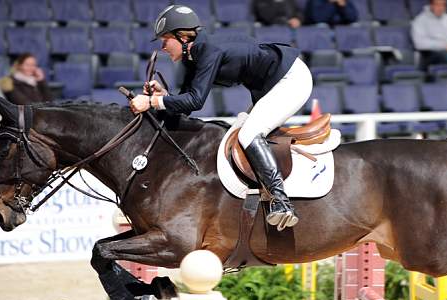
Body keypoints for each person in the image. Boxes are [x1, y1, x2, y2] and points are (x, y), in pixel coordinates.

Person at [130, 5, 313, 230]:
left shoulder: (209, 50)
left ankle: (281, 201)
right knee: (237, 133)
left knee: (249, 134)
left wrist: (151, 102)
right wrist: (164, 96)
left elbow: (195, 101)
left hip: (291, 80)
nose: (163, 47)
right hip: (269, 86)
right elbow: (186, 105)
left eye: (165, 40)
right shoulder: (193, 56)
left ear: (182, 36)